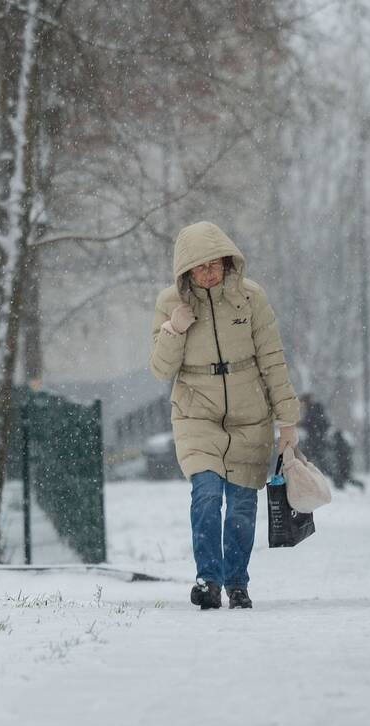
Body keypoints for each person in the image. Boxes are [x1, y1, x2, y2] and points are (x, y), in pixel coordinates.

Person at [149, 221, 300, 610]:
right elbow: (161, 369)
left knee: (242, 505)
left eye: (215, 264)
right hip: (196, 414)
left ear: (228, 262)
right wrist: (173, 329)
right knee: (206, 495)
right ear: (186, 270)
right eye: (200, 266)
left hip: (250, 415)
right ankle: (208, 580)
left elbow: (272, 359)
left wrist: (288, 422)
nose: (209, 272)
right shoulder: (171, 302)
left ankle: (236, 582)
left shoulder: (251, 299)